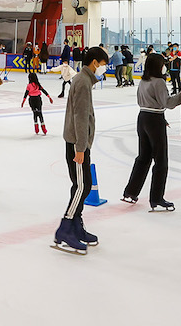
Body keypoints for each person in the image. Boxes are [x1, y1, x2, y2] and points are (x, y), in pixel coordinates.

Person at [53, 46, 109, 255]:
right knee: (81, 187)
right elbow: (81, 118)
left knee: (82, 185)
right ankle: (65, 228)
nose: (104, 69)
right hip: (78, 144)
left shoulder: (82, 80)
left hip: (78, 143)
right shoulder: (83, 82)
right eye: (103, 65)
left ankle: (76, 225)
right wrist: (80, 148)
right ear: (94, 63)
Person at [122, 53, 181, 211]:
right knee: (161, 160)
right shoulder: (159, 82)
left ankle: (130, 191)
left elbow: (145, 102)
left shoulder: (143, 80)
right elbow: (167, 103)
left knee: (143, 157)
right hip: (154, 120)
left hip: (143, 118)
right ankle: (156, 198)